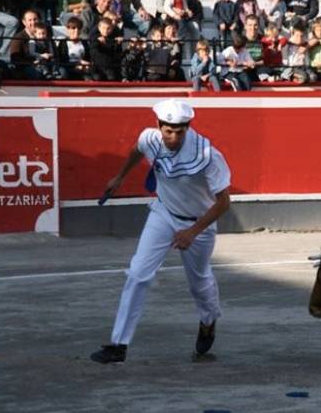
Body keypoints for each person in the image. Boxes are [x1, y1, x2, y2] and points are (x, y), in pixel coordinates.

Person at [90, 99, 231, 364]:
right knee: (137, 274)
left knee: (199, 282)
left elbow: (224, 202)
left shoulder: (207, 155)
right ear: (159, 125)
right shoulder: (150, 138)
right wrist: (119, 177)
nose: (173, 137)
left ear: (188, 128)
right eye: (168, 131)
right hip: (164, 213)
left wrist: (192, 231)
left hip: (198, 223)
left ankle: (208, 319)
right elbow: (136, 150)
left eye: (179, 131)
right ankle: (118, 345)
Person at [56, 16, 91, 80]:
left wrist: (87, 65)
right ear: (68, 29)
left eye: (79, 28)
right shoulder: (63, 43)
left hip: (83, 68)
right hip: (68, 67)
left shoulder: (84, 43)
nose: (76, 30)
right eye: (74, 28)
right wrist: (76, 64)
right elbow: (62, 60)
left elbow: (88, 57)